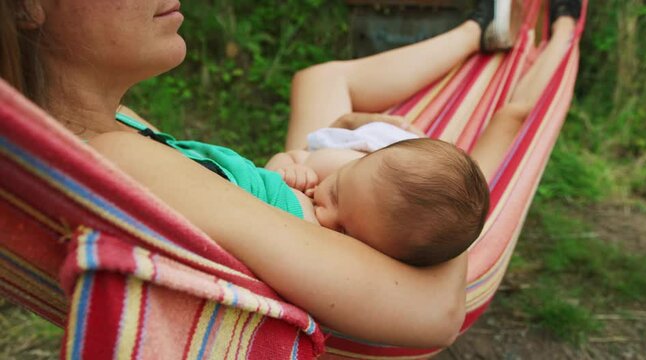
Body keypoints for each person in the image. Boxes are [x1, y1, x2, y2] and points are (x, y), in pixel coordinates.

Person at [0, 0, 580, 348]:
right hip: (322, 209)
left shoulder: (101, 128)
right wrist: (420, 160)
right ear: (26, 6)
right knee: (465, 143)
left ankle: (480, 30)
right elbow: (434, 312)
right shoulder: (119, 159)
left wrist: (393, 157)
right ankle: (545, 32)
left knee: (319, 80)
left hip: (295, 187)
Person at [265, 135, 489, 267]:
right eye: (334, 193)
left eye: (344, 232)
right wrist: (289, 170)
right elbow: (290, 157)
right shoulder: (334, 163)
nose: (324, 216)